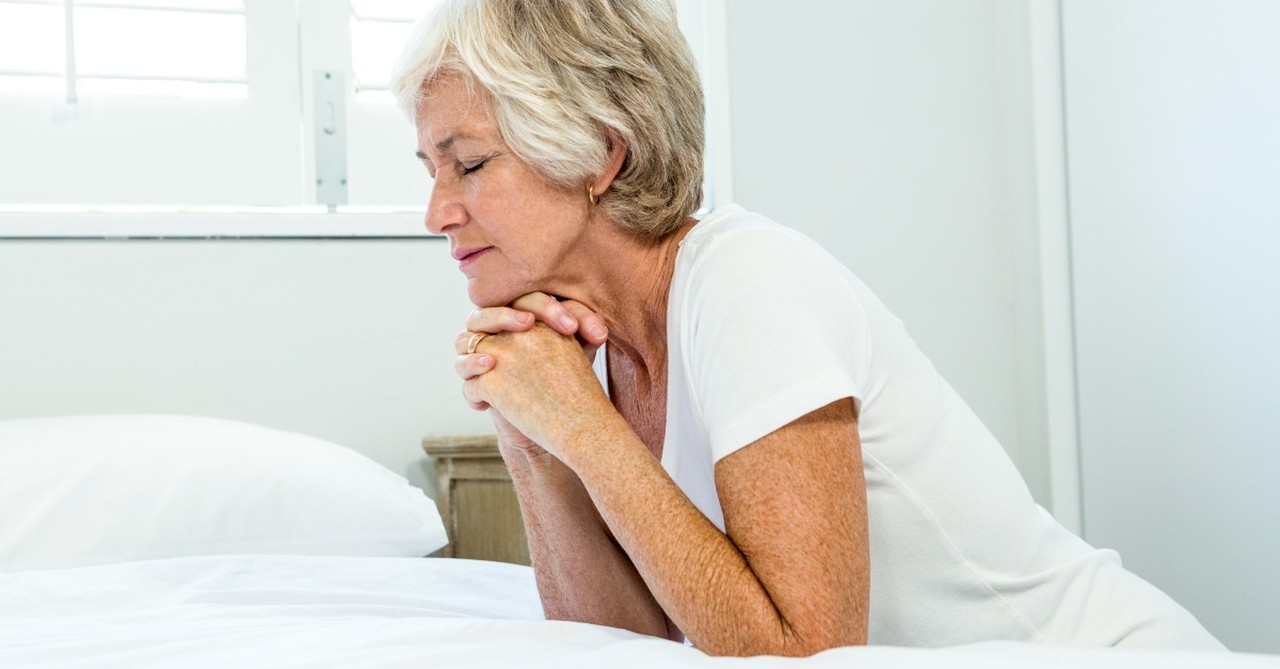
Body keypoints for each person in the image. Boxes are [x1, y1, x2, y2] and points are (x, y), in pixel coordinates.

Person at [391, 0, 1224, 656]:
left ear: (603, 152)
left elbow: (806, 657)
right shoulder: (589, 341)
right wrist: (533, 430)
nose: (437, 213)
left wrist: (582, 427)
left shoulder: (750, 281)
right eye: (431, 171)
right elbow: (622, 643)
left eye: (469, 164)